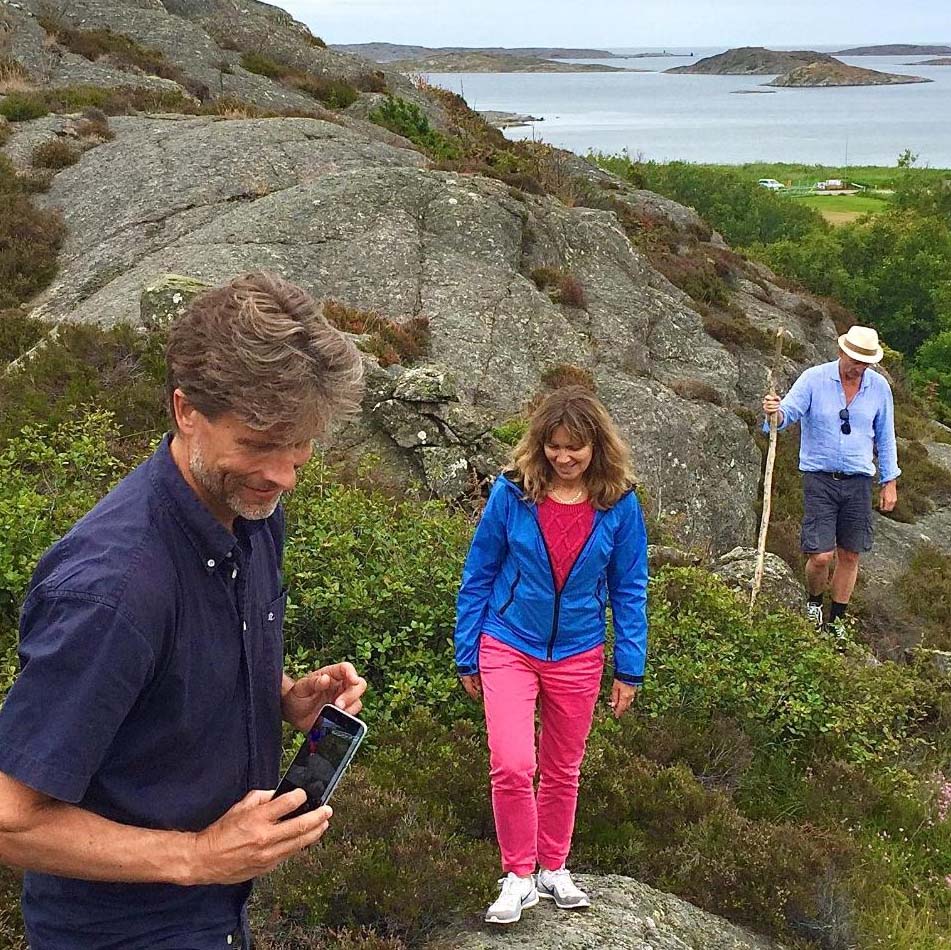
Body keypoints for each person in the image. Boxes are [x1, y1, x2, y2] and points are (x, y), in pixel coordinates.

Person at [0, 272, 368, 949]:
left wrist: (285, 697)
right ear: (185, 410)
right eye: (258, 444)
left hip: (217, 916)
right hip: (120, 933)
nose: (283, 475)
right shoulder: (112, 590)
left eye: (300, 446)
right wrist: (199, 855)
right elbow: (11, 819)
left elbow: (172, 672)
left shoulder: (249, 511)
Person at [454, 385, 648, 925]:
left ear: (597, 449)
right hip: (507, 642)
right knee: (512, 763)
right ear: (540, 445)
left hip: (579, 652)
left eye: (575, 448)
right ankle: (518, 875)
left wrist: (629, 665)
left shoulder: (619, 503)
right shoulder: (512, 493)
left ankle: (554, 868)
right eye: (554, 447)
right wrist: (467, 649)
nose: (563, 458)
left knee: (563, 768)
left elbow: (630, 586)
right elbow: (480, 571)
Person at [762, 324, 900, 630]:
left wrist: (889, 481)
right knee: (821, 555)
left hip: (859, 481)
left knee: (850, 554)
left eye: (865, 362)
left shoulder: (878, 388)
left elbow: (886, 436)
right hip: (819, 478)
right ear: (841, 352)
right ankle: (814, 603)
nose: (859, 367)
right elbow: (788, 414)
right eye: (855, 360)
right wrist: (775, 412)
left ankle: (837, 620)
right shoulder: (814, 378)